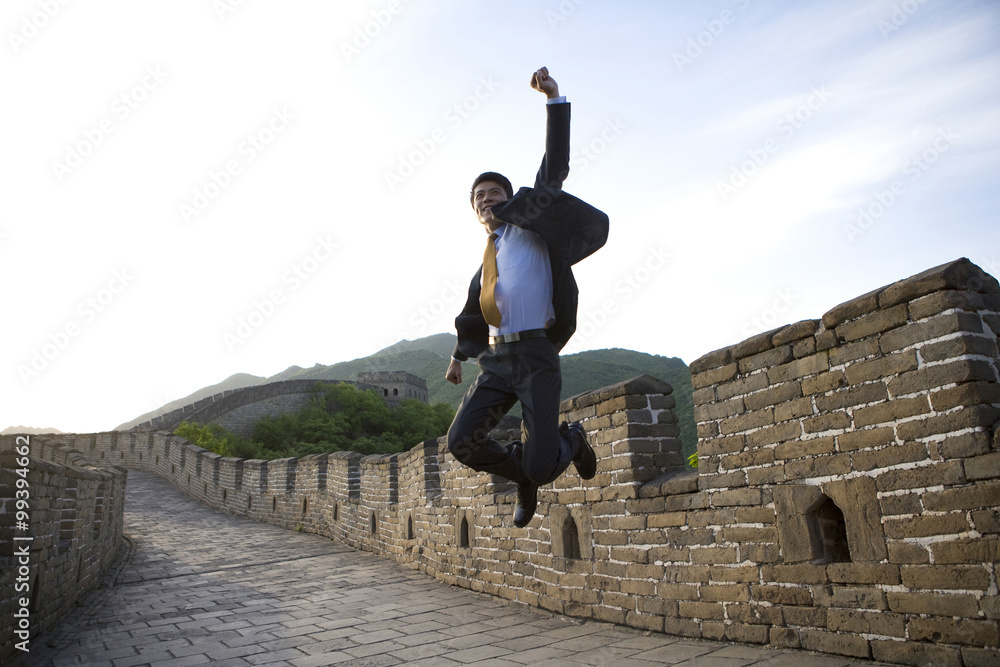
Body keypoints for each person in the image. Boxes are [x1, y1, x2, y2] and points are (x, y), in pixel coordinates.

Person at [445, 67, 609, 528]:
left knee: (542, 465)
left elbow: (554, 170)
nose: (486, 199)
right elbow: (475, 312)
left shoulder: (532, 227)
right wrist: (458, 357)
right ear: (474, 210)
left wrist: (553, 99)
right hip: (496, 362)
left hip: (536, 353)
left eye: (494, 192)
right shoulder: (487, 261)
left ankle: (570, 441)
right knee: (463, 443)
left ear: (510, 198)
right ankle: (524, 471)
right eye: (478, 196)